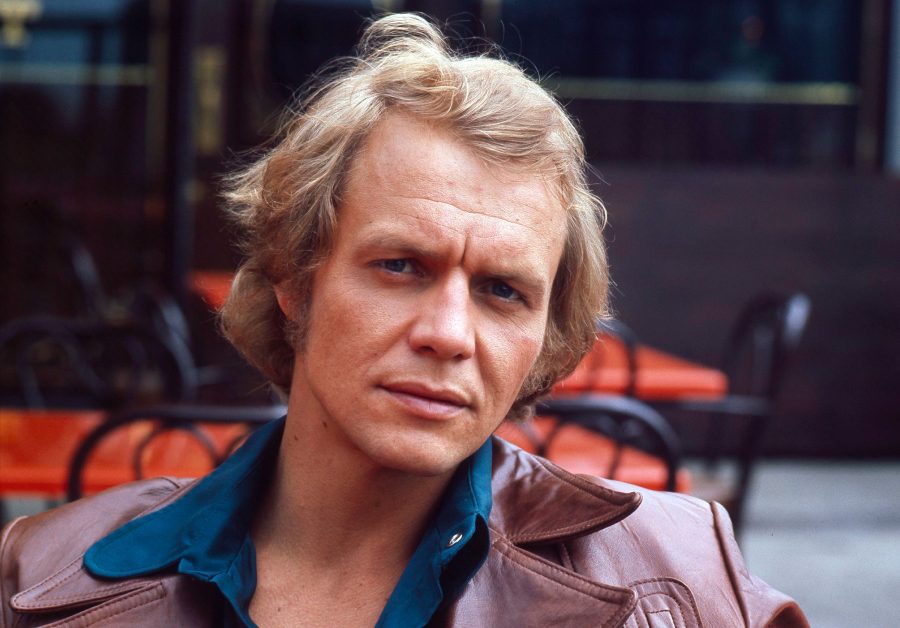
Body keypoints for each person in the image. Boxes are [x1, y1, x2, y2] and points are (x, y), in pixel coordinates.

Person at [0, 13, 807, 628]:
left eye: (503, 291)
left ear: (545, 337)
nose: (448, 334)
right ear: (294, 279)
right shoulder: (41, 574)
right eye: (400, 266)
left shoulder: (680, 583)